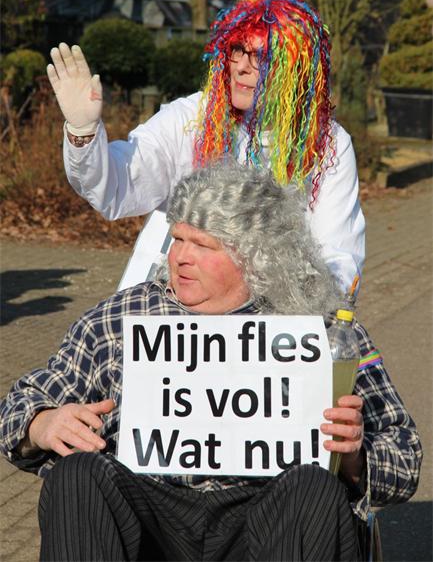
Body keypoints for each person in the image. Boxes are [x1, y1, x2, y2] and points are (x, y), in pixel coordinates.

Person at [0, 164, 421, 562]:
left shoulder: (324, 332)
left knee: (314, 487)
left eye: (203, 245)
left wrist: (353, 456)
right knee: (77, 475)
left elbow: (404, 459)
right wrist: (43, 423)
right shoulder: (120, 319)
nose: (181, 257)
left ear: (257, 257)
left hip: (270, 518)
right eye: (178, 239)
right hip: (149, 517)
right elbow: (18, 407)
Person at [47, 0, 365, 292]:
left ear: (295, 70)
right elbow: (117, 186)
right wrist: (83, 131)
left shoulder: (327, 145)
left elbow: (337, 256)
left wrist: (314, 309)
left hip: (271, 317)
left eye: (260, 57)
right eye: (237, 50)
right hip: (169, 307)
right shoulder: (190, 120)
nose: (241, 67)